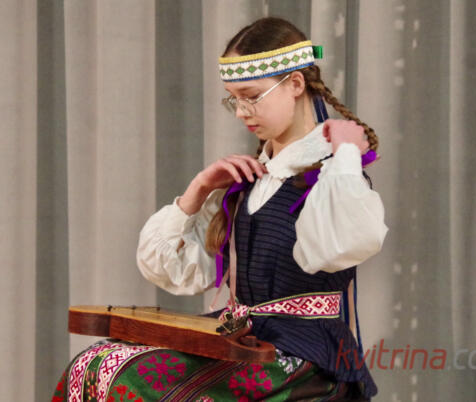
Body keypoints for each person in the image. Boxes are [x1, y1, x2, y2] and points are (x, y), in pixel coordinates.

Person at [53, 17, 388, 402]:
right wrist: (198, 191)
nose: (241, 112)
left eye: (251, 96)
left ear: (296, 84)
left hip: (301, 354)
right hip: (242, 338)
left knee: (131, 380)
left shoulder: (335, 177)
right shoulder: (252, 180)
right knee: (95, 362)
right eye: (233, 99)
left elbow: (339, 246)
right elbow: (173, 272)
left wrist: (345, 154)